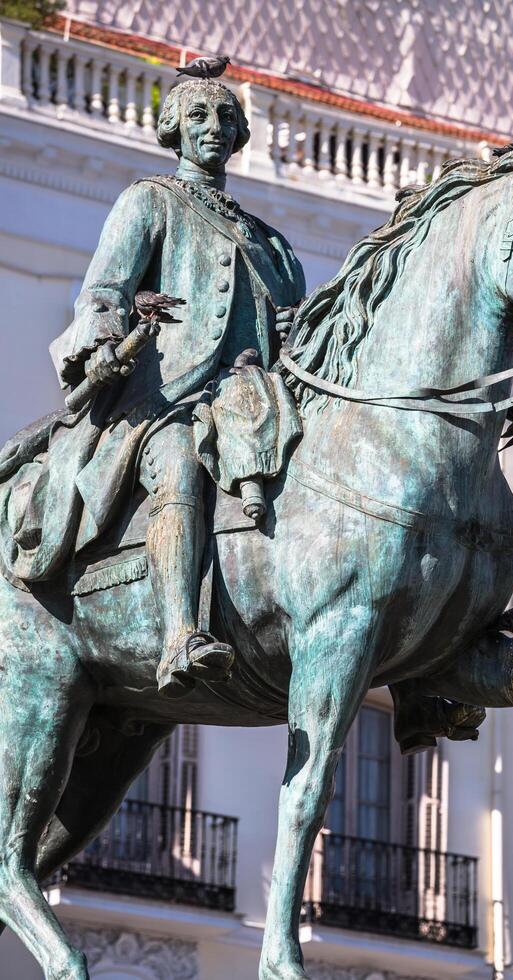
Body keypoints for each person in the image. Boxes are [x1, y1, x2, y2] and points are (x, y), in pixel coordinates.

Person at [22, 77, 304, 697]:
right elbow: (103, 293)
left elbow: (294, 336)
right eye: (197, 115)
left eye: (225, 117)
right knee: (179, 461)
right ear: (174, 127)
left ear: (238, 135)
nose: (213, 127)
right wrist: (105, 342)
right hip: (166, 401)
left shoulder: (274, 246)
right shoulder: (149, 202)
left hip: (255, 403)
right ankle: (181, 634)